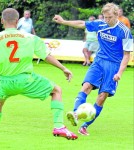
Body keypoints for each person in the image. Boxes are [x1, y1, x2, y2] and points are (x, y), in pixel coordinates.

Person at [0, 8, 78, 143]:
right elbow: (46, 55)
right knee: (56, 90)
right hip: (26, 80)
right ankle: (58, 126)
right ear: (17, 21)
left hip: (5, 82)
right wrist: (63, 68)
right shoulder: (30, 38)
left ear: (2, 21)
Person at [53, 2, 133, 136]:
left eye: (109, 18)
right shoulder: (100, 24)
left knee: (102, 96)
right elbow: (81, 23)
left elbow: (127, 55)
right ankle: (75, 113)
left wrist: (119, 73)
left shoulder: (124, 31)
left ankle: (84, 126)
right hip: (99, 62)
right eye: (105, 17)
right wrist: (63, 21)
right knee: (86, 86)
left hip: (113, 66)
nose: (107, 20)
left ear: (116, 15)